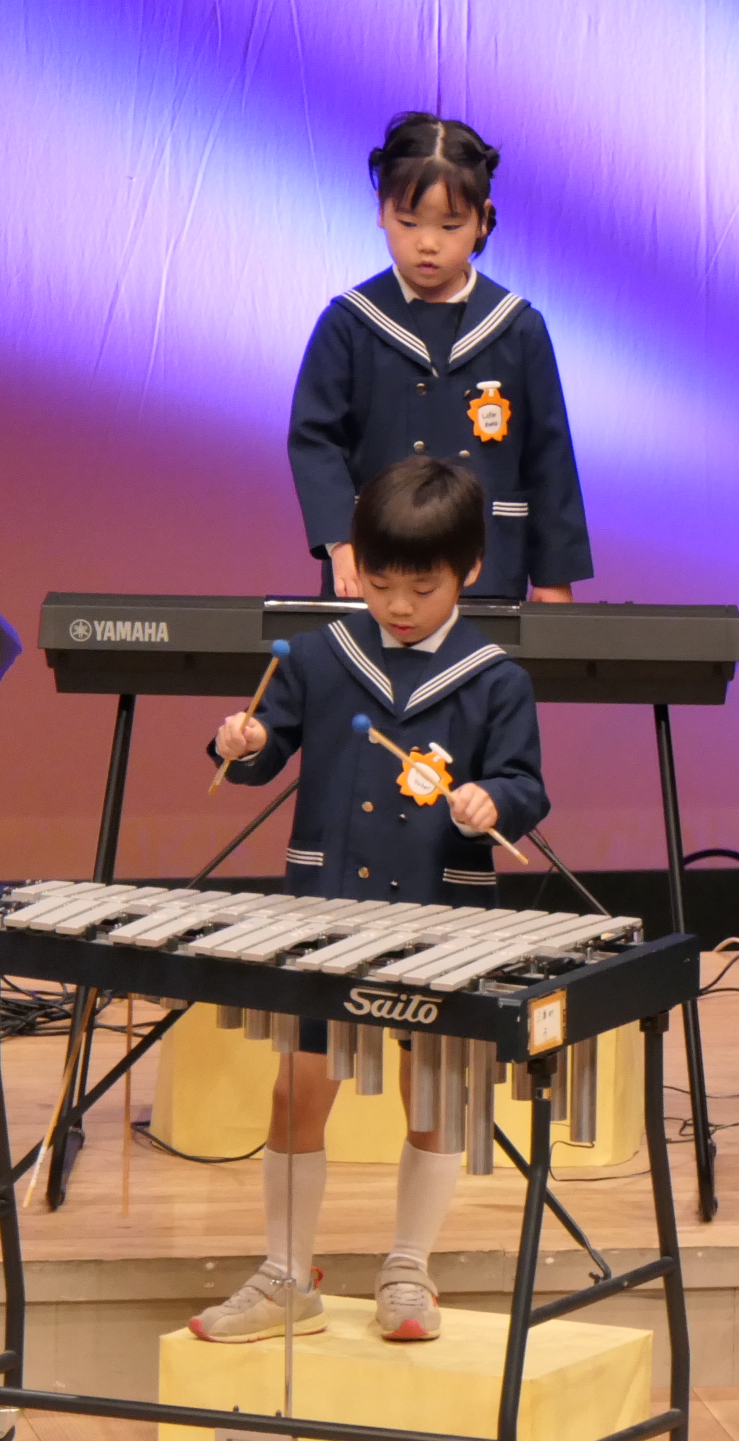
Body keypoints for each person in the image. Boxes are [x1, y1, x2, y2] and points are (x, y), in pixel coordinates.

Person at [195, 456, 548, 1343]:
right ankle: (287, 1274)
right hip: (328, 911)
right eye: (381, 584)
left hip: (440, 916)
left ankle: (408, 1269)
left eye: (421, 589)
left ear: (469, 570)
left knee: (432, 1100)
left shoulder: (494, 679)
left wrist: (492, 800)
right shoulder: (321, 657)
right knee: (295, 1093)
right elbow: (267, 749)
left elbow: (524, 786)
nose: (397, 605)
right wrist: (241, 740)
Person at [290, 111, 591, 605]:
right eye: (408, 223)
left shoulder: (519, 327)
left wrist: (555, 576)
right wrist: (341, 544)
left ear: (483, 219)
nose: (427, 244)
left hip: (488, 568)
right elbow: (314, 441)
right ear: (381, 212)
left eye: (451, 225)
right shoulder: (349, 322)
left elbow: (549, 457)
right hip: (375, 569)